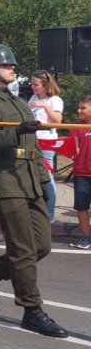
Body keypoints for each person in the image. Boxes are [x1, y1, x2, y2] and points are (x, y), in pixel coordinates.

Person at [0, 44, 67, 338]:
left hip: (30, 181)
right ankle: (32, 311)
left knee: (41, 247)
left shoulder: (19, 102)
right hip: (5, 184)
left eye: (11, 64)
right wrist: (17, 131)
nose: (12, 68)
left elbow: (32, 147)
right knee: (23, 250)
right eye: (5, 65)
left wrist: (44, 183)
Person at [28, 70, 63, 220]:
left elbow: (57, 121)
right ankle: (36, 209)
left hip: (47, 142)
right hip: (32, 141)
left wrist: (44, 106)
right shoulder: (33, 97)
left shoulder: (54, 100)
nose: (32, 86)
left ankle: (49, 213)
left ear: (45, 86)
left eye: (36, 84)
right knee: (32, 176)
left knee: (47, 177)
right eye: (32, 83)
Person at [71, 95, 91, 250]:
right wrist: (71, 150)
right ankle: (86, 237)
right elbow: (72, 148)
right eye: (79, 107)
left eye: (83, 108)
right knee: (82, 206)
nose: (79, 111)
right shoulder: (77, 125)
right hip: (81, 173)